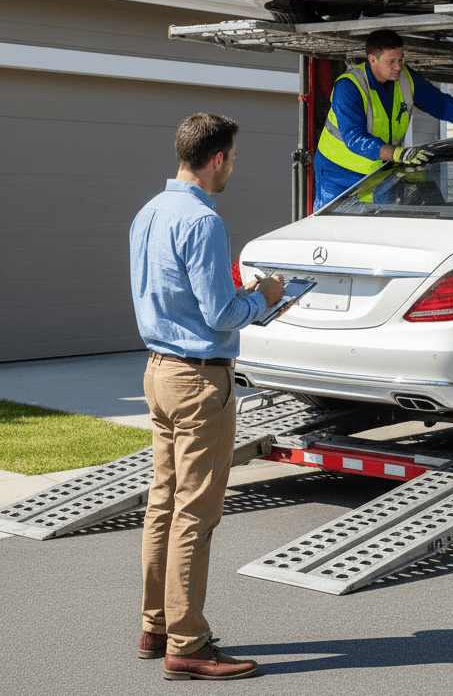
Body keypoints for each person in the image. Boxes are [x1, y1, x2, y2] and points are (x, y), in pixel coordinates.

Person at [129, 112, 285, 681]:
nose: (232, 169)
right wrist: (265, 297)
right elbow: (220, 313)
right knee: (196, 513)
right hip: (198, 380)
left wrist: (239, 296)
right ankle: (188, 644)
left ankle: (156, 627)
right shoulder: (203, 221)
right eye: (233, 159)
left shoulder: (148, 212)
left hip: (157, 372)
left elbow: (179, 295)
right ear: (216, 159)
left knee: (163, 504)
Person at [313, 28, 453, 209]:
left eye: (401, 59)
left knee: (383, 222)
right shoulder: (349, 86)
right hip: (338, 174)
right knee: (332, 224)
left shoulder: (406, 79)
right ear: (372, 59)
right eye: (391, 61)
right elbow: (355, 138)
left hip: (379, 172)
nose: (398, 67)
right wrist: (399, 154)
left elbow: (440, 103)